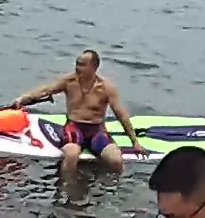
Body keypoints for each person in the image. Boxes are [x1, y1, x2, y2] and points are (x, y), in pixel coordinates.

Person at [9, 50, 146, 187]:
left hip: (96, 130)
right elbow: (46, 90)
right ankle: (66, 187)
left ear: (94, 67)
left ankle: (109, 189)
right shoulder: (69, 81)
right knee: (71, 155)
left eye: (82, 65)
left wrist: (135, 142)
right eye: (77, 63)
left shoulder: (105, 87)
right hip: (74, 127)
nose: (77, 67)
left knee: (116, 160)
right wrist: (23, 98)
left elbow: (121, 114)